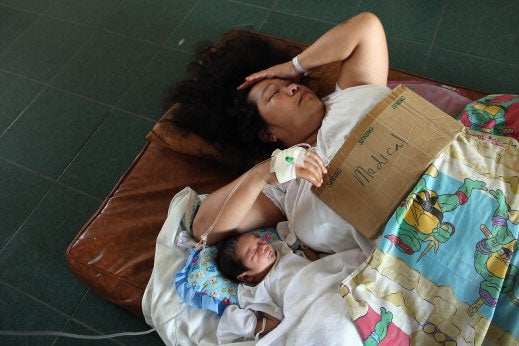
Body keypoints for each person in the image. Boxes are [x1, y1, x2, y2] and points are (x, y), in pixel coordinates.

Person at [167, 12, 389, 256]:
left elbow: (367, 26)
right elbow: (204, 227)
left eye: (289, 82)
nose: (293, 86)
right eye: (274, 93)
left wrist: (294, 66)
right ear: (266, 134)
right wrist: (261, 175)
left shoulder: (351, 94)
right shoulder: (284, 182)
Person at [215, 232, 312, 343]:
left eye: (260, 241)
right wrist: (251, 327)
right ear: (246, 277)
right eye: (255, 252)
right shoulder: (260, 290)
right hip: (307, 307)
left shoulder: (282, 250)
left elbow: (312, 263)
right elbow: (273, 322)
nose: (263, 246)